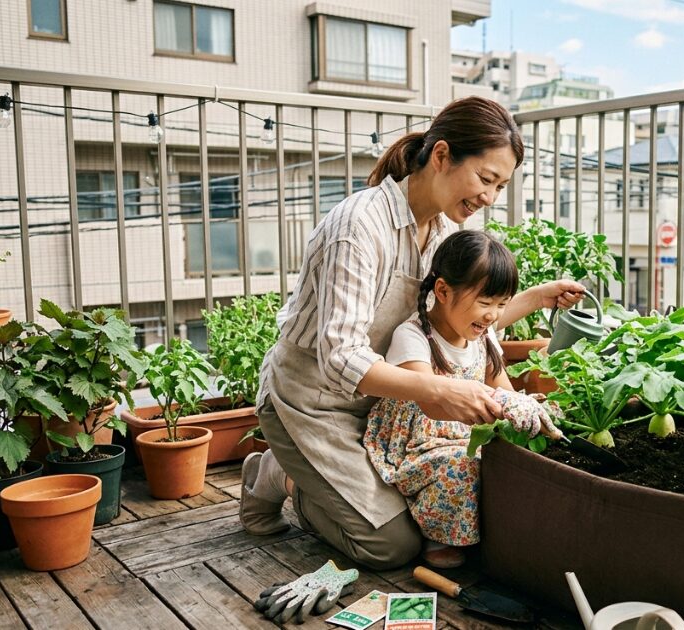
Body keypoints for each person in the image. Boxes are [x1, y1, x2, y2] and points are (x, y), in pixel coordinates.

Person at [238, 96, 584, 570]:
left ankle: (307, 471)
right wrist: (439, 389)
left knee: (429, 513)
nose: (490, 197)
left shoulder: (440, 233)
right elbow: (340, 357)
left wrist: (536, 298)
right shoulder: (359, 226)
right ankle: (279, 476)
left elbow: (451, 325)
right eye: (485, 179)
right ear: (441, 155)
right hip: (309, 403)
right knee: (391, 546)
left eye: (500, 186)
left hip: (382, 408)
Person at [363, 230, 562, 569]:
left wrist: (525, 406)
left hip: (465, 433)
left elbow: (503, 390)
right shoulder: (414, 335)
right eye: (485, 303)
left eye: (501, 305)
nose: (493, 315)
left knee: (509, 454)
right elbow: (430, 401)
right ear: (443, 291)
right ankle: (438, 534)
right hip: (419, 440)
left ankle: (480, 527)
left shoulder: (482, 338)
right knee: (462, 463)